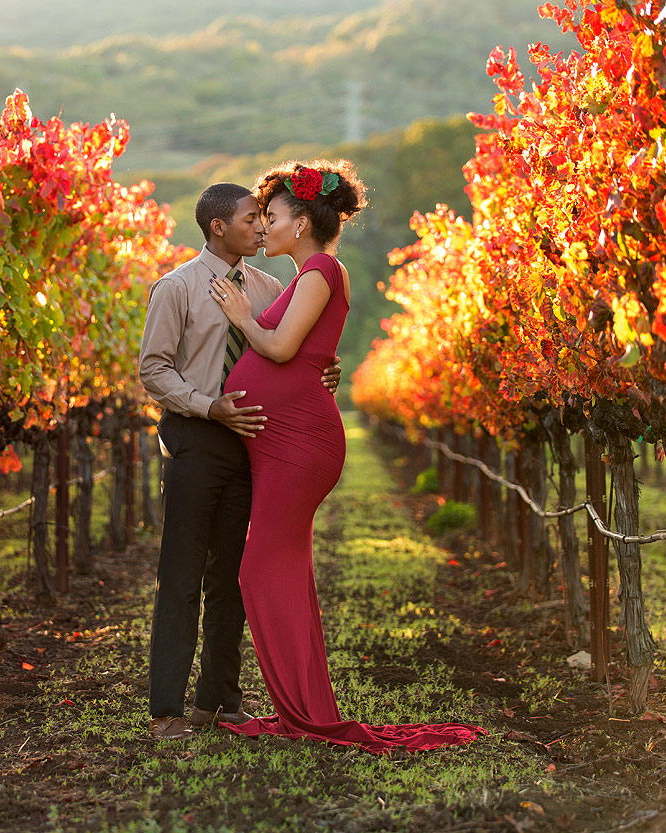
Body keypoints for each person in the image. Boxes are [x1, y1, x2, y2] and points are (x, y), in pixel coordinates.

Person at [209, 160, 486, 753]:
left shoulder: (320, 271)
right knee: (284, 570)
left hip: (298, 444)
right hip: (283, 442)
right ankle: (304, 707)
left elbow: (281, 348)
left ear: (301, 223)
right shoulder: (308, 276)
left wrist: (241, 317)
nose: (262, 227)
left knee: (260, 569)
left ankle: (302, 710)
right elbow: (310, 353)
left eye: (272, 216)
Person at [138, 183, 342, 741]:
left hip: (254, 444)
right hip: (197, 440)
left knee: (231, 576)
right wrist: (210, 406)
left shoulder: (270, 287)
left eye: (265, 217)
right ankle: (166, 710)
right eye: (251, 218)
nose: (260, 227)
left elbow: (294, 350)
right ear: (218, 227)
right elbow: (154, 369)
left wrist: (324, 370)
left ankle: (219, 700)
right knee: (181, 575)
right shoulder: (177, 287)